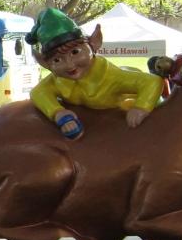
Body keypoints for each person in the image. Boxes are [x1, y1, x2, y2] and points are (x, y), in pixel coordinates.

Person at [27, 8, 164, 141]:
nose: (69, 65)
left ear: (94, 44)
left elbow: (152, 82)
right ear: (46, 64)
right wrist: (59, 113)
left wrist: (141, 107)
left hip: (129, 105)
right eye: (57, 60)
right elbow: (38, 92)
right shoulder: (59, 79)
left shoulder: (112, 77)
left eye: (75, 52)